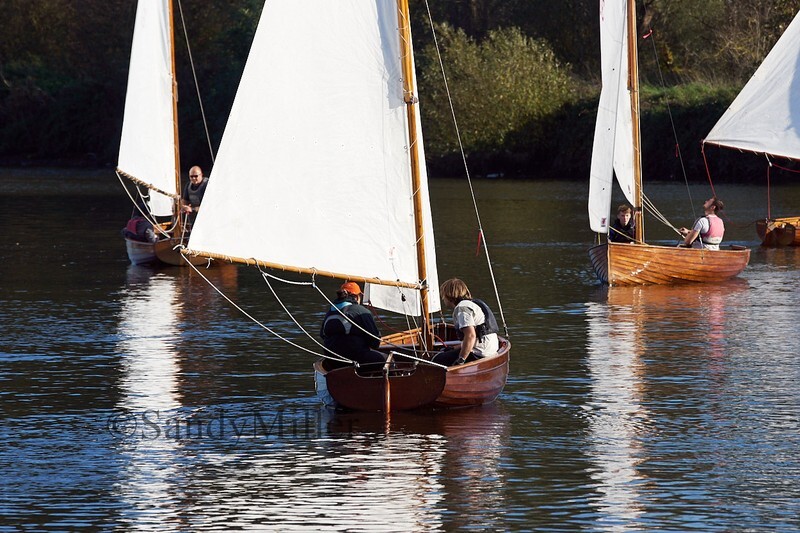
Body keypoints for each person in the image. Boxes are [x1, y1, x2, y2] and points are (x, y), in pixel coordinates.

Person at [433, 278, 499, 367]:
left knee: (437, 359)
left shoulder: (462, 309)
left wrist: (461, 359)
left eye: (443, 296)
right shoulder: (473, 303)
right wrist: (453, 348)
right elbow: (474, 337)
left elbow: (471, 336)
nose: (443, 299)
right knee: (446, 354)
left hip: (480, 353)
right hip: (491, 349)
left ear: (449, 296)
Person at [320, 281, 386, 368]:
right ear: (356, 297)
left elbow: (322, 335)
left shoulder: (330, 312)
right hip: (356, 360)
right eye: (360, 296)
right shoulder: (361, 311)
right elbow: (375, 343)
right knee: (388, 360)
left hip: (333, 362)